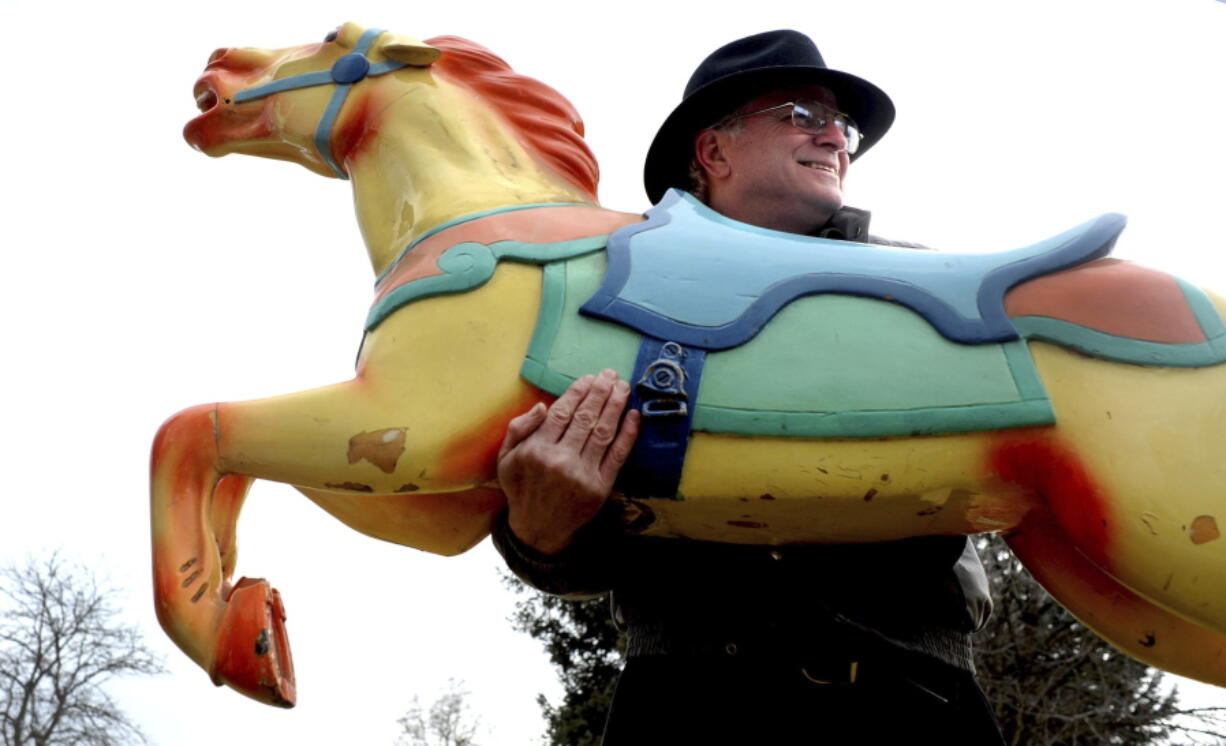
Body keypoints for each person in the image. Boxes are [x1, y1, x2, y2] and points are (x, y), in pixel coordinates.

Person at [494, 30, 1005, 744]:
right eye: (803, 113)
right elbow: (557, 526)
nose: (837, 137)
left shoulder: (930, 289)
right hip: (687, 704)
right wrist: (539, 535)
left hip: (912, 701)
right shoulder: (600, 305)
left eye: (844, 126)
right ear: (714, 152)